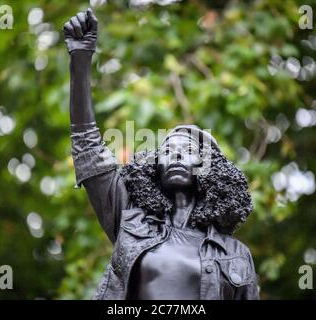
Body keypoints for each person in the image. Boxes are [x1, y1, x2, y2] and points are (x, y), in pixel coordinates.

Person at [63, 9, 259, 300]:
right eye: (168, 151)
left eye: (189, 151)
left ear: (210, 171)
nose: (176, 156)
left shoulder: (236, 254)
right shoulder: (129, 219)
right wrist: (81, 58)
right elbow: (88, 147)